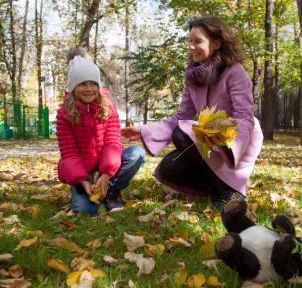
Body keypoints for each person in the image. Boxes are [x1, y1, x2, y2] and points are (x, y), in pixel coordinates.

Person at [121, 16, 263, 210]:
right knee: (170, 166)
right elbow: (181, 118)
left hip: (237, 140)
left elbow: (244, 116)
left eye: (198, 41)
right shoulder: (193, 77)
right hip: (207, 139)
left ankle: (232, 192)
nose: (191, 47)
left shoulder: (234, 71)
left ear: (216, 43)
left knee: (181, 134)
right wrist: (144, 130)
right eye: (190, 41)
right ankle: (216, 189)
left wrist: (228, 140)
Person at [57, 47, 145, 215]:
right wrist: (84, 182)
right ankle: (88, 189)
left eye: (93, 84)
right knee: (85, 211)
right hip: (83, 168)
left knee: (136, 153)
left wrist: (105, 175)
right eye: (83, 84)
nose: (89, 89)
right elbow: (69, 153)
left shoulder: (108, 107)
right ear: (73, 86)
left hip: (106, 163)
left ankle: (110, 191)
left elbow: (113, 143)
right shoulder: (64, 114)